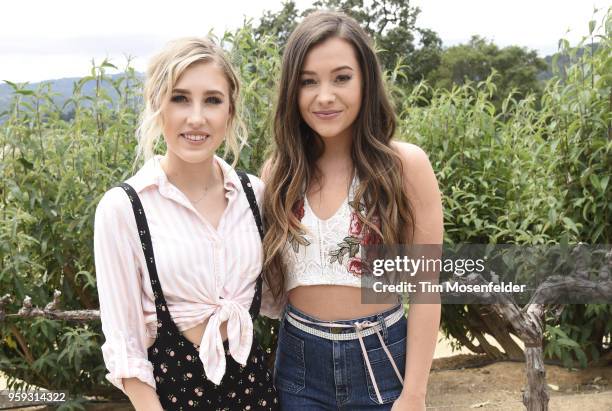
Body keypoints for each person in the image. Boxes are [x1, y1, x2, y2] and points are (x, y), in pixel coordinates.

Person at [261, 11, 443, 410]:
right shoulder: (279, 173)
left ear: (365, 82)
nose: (324, 95)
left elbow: (426, 290)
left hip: (382, 358)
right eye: (308, 81)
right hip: (299, 364)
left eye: (341, 78)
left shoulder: (404, 167)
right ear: (292, 90)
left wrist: (414, 394)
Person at [94, 37, 278, 410]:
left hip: (256, 394)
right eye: (180, 98)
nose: (196, 117)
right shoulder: (125, 208)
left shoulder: (253, 195)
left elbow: (283, 297)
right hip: (174, 397)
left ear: (230, 111)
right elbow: (126, 346)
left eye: (212, 100)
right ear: (157, 106)